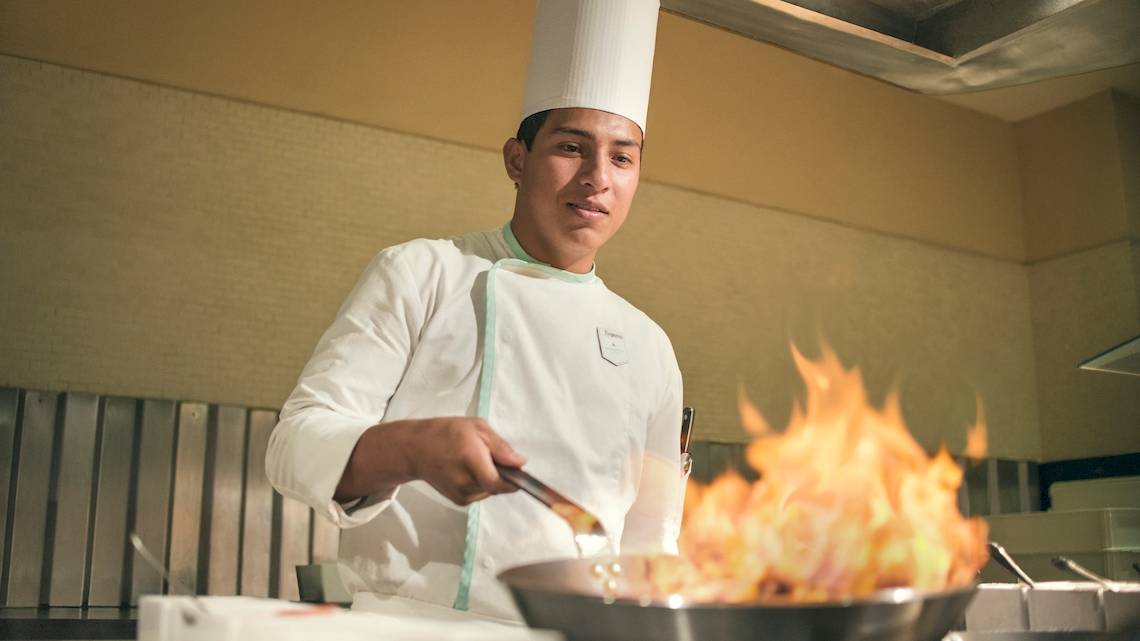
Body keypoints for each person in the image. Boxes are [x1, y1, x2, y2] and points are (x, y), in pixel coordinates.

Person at [265, 0, 682, 621]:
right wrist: (412, 448)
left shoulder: (650, 348)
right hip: (409, 629)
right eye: (572, 147)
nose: (598, 178)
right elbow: (294, 444)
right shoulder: (423, 274)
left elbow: (651, 548)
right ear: (518, 160)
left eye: (622, 157)